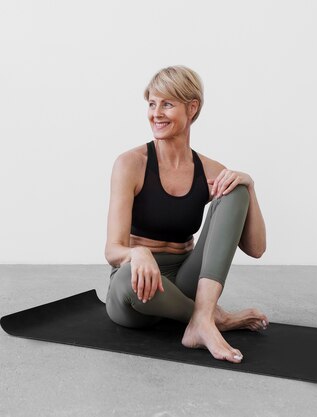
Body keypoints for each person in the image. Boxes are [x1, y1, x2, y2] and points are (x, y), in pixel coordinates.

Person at [104, 65, 268, 364]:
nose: (156, 113)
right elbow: (112, 250)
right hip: (139, 290)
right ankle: (211, 319)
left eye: (167, 104)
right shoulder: (131, 164)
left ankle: (201, 319)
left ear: (192, 108)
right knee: (128, 278)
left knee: (235, 187)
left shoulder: (209, 171)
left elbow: (256, 249)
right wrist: (137, 253)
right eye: (152, 104)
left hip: (186, 281)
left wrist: (249, 186)